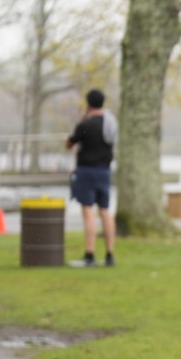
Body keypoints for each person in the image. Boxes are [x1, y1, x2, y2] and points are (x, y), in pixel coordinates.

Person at [66, 88, 118, 267]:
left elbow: (69, 143)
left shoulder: (85, 125)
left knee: (88, 211)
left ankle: (90, 255)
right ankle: (110, 254)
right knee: (105, 210)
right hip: (105, 171)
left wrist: (82, 120)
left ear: (88, 103)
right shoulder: (110, 124)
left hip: (87, 171)